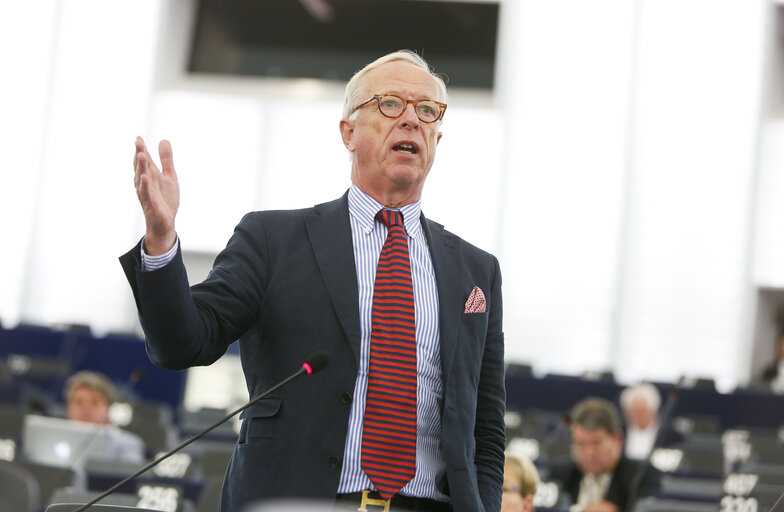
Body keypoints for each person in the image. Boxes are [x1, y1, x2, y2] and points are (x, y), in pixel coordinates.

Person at [121, 50, 505, 512]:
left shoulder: (476, 272)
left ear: (437, 137)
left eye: (426, 110)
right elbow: (182, 344)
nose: (410, 120)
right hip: (298, 501)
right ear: (348, 131)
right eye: (390, 104)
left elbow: (485, 430)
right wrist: (162, 243)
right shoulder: (273, 240)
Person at [547, 398, 657, 512]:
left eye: (596, 443)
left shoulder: (640, 477)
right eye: (580, 444)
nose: (589, 453)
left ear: (617, 439)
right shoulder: (559, 476)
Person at [63, 370, 145, 464]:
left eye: (95, 402)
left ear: (108, 408)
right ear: (68, 407)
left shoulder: (128, 444)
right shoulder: (54, 437)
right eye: (79, 402)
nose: (86, 407)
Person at [618, 383, 681, 460]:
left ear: (653, 411)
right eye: (633, 412)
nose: (638, 416)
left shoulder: (671, 435)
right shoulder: (619, 432)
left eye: (642, 412)